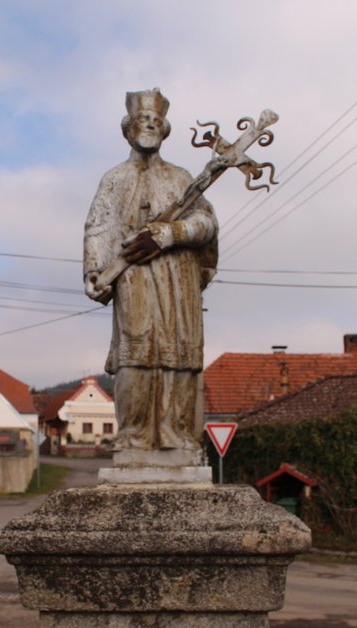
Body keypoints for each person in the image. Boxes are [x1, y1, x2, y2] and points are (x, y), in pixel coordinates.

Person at [83, 88, 218, 463]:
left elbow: (207, 222)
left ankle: (178, 434)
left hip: (178, 277)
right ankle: (133, 436)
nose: (150, 125)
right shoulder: (114, 179)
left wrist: (172, 234)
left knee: (179, 354)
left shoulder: (181, 178)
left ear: (165, 130)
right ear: (128, 128)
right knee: (136, 351)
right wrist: (94, 271)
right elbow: (98, 226)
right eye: (143, 120)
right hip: (134, 276)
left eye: (157, 121)